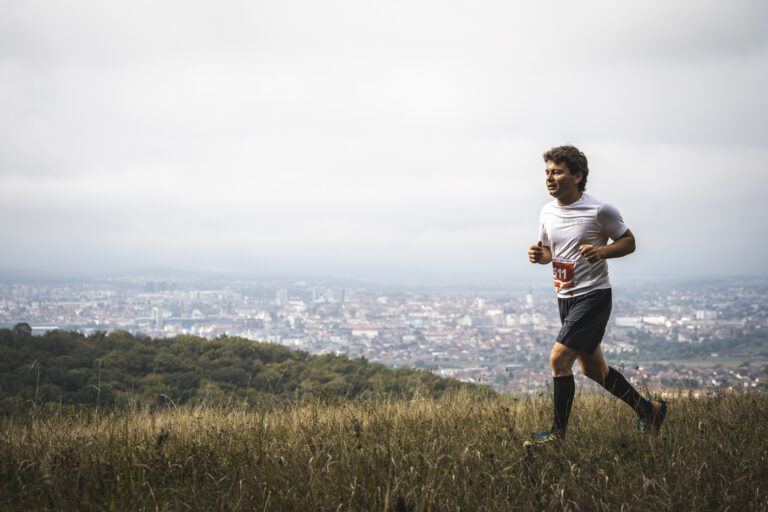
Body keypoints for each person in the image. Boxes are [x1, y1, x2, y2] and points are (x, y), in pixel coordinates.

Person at [524, 145, 666, 447]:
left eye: (557, 172)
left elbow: (629, 242)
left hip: (593, 296)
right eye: (547, 172)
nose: (549, 178)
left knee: (558, 360)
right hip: (565, 297)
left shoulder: (600, 210)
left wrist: (601, 252)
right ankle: (649, 411)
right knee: (594, 370)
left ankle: (557, 435)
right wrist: (540, 255)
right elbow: (549, 251)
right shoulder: (547, 211)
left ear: (577, 176)